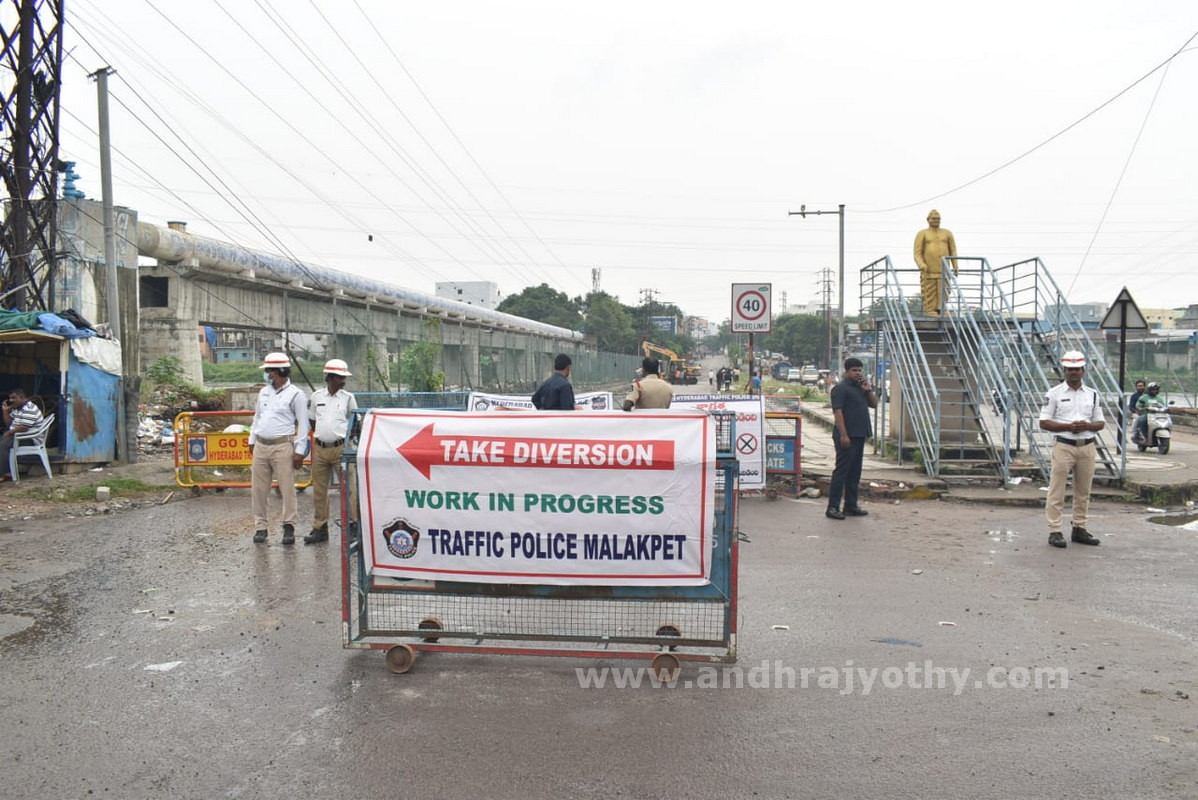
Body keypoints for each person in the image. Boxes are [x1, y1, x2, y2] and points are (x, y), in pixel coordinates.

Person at [1038, 350, 1104, 548]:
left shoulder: (1092, 394)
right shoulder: (1054, 394)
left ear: (1083, 370)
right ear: (1064, 371)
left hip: (1087, 446)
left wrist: (1087, 426)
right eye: (1069, 369)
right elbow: (1044, 421)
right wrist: (1068, 427)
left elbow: (1100, 422)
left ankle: (1079, 528)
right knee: (1056, 490)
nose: (1073, 372)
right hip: (1064, 445)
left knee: (1083, 491)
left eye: (1076, 369)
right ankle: (1055, 530)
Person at [249, 352, 310, 545]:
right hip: (261, 445)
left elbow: (303, 424)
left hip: (283, 446)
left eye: (270, 371)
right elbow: (257, 418)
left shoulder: (296, 394)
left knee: (287, 489)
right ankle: (261, 527)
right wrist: (252, 440)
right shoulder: (264, 392)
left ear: (280, 371)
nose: (267, 374)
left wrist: (299, 451)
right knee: (258, 489)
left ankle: (289, 526)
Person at [305, 359, 357, 545]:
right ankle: (320, 527)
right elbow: (312, 421)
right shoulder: (316, 397)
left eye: (344, 377)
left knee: (349, 488)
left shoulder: (348, 398)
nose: (343, 381)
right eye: (340, 377)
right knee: (319, 490)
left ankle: (353, 526)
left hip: (341, 448)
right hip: (320, 448)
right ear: (330, 377)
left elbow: (355, 422)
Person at [827, 358, 878, 520]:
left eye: (859, 370)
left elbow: (874, 404)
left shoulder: (860, 388)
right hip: (846, 436)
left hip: (859, 435)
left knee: (855, 472)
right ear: (846, 371)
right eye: (854, 370)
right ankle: (833, 507)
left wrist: (868, 389)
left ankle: (850, 505)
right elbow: (838, 413)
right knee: (842, 471)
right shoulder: (840, 389)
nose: (858, 373)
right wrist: (844, 435)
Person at [913, 209, 958, 316]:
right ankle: (930, 310)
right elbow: (917, 253)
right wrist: (921, 264)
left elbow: (953, 250)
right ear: (928, 220)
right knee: (930, 289)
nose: (936, 220)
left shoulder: (947, 233)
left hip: (944, 269)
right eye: (933, 219)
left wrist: (955, 264)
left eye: (938, 219)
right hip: (929, 269)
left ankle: (942, 309)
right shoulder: (922, 233)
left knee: (944, 289)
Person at [0, 388, 45, 482]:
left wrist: (9, 433)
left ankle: (6, 473)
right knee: (3, 439)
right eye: (10, 398)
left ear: (22, 397)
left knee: (3, 445)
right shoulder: (18, 408)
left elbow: (24, 427)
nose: (11, 400)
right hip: (18, 435)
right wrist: (5, 411)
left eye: (14, 398)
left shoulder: (29, 408)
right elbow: (9, 424)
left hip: (30, 438)